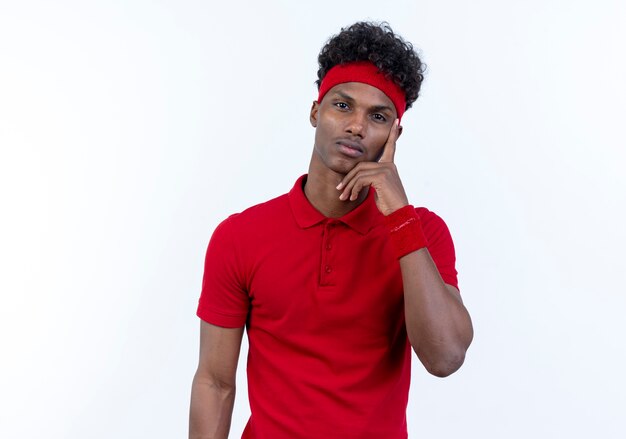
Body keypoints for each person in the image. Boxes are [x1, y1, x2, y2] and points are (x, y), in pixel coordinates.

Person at [189, 21, 473, 439]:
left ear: (396, 133)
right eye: (343, 106)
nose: (357, 125)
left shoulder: (422, 231)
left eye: (378, 116)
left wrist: (398, 215)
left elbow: (445, 357)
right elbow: (215, 381)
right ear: (315, 111)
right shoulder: (240, 236)